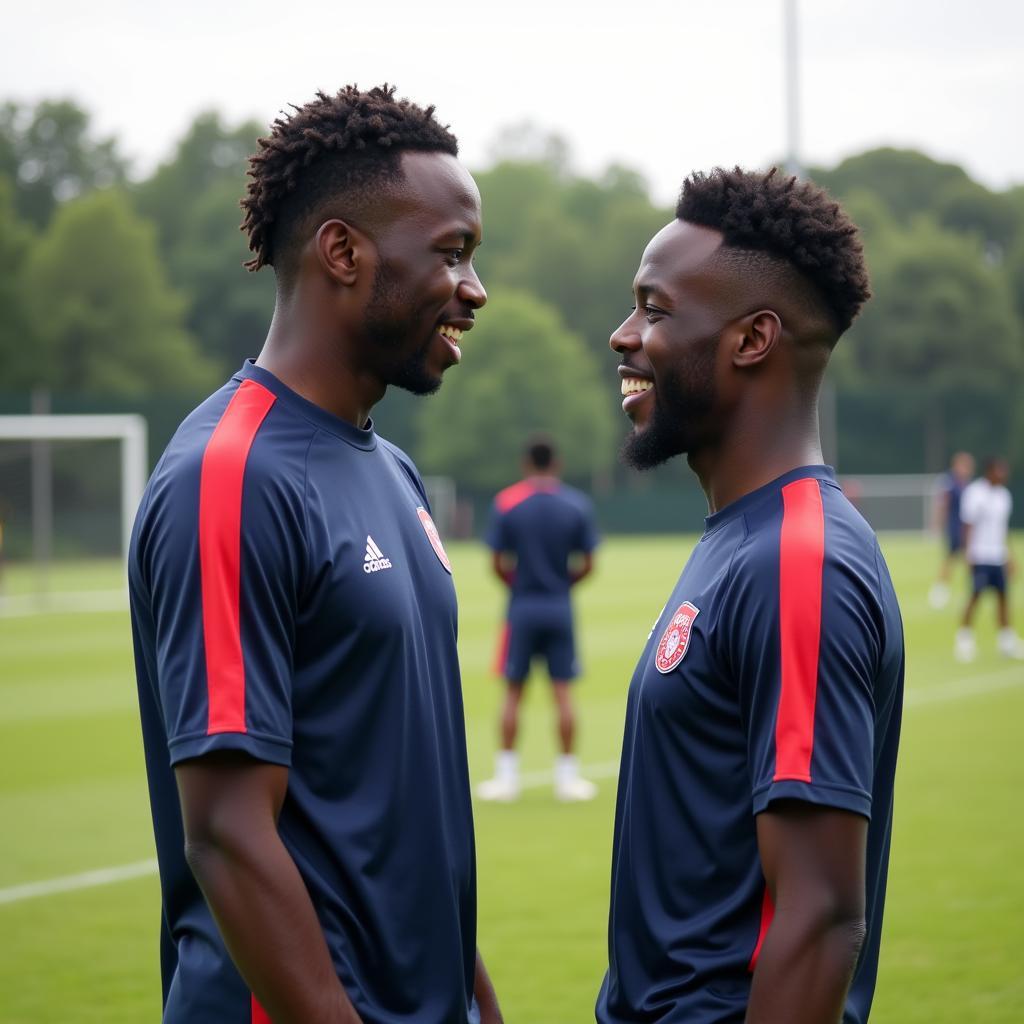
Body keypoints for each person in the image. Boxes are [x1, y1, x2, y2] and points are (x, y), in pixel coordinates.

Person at [128, 85, 501, 1024]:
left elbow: (409, 811)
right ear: (344, 252)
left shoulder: (397, 474)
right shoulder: (232, 475)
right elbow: (225, 833)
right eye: (452, 254)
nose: (474, 288)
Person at [596, 168, 904, 1024]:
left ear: (753, 338)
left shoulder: (799, 559)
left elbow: (818, 916)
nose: (624, 337)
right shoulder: (744, 540)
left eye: (655, 310)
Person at [477, 436, 600, 802]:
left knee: (514, 691)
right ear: (556, 464)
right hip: (559, 607)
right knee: (563, 691)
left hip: (522, 607)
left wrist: (517, 586)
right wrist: (564, 584)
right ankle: (568, 778)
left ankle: (506, 777)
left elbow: (498, 563)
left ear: (526, 464)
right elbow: (589, 563)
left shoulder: (508, 503)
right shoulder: (575, 504)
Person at [954, 456, 1023, 661]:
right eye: (999, 471)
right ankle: (964, 639)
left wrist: (1010, 556)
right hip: (980, 555)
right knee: (975, 596)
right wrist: (967, 553)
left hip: (998, 556)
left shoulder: (1004, 496)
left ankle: (1006, 640)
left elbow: (1003, 529)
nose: (1003, 475)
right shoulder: (975, 493)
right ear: (990, 471)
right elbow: (967, 525)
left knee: (1003, 597)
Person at [928, 451, 975, 608]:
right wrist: (937, 525)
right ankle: (940, 591)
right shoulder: (949, 482)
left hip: (967, 528)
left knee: (970, 559)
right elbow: (943, 505)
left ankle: (973, 590)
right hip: (955, 527)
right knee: (950, 559)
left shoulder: (968, 484)